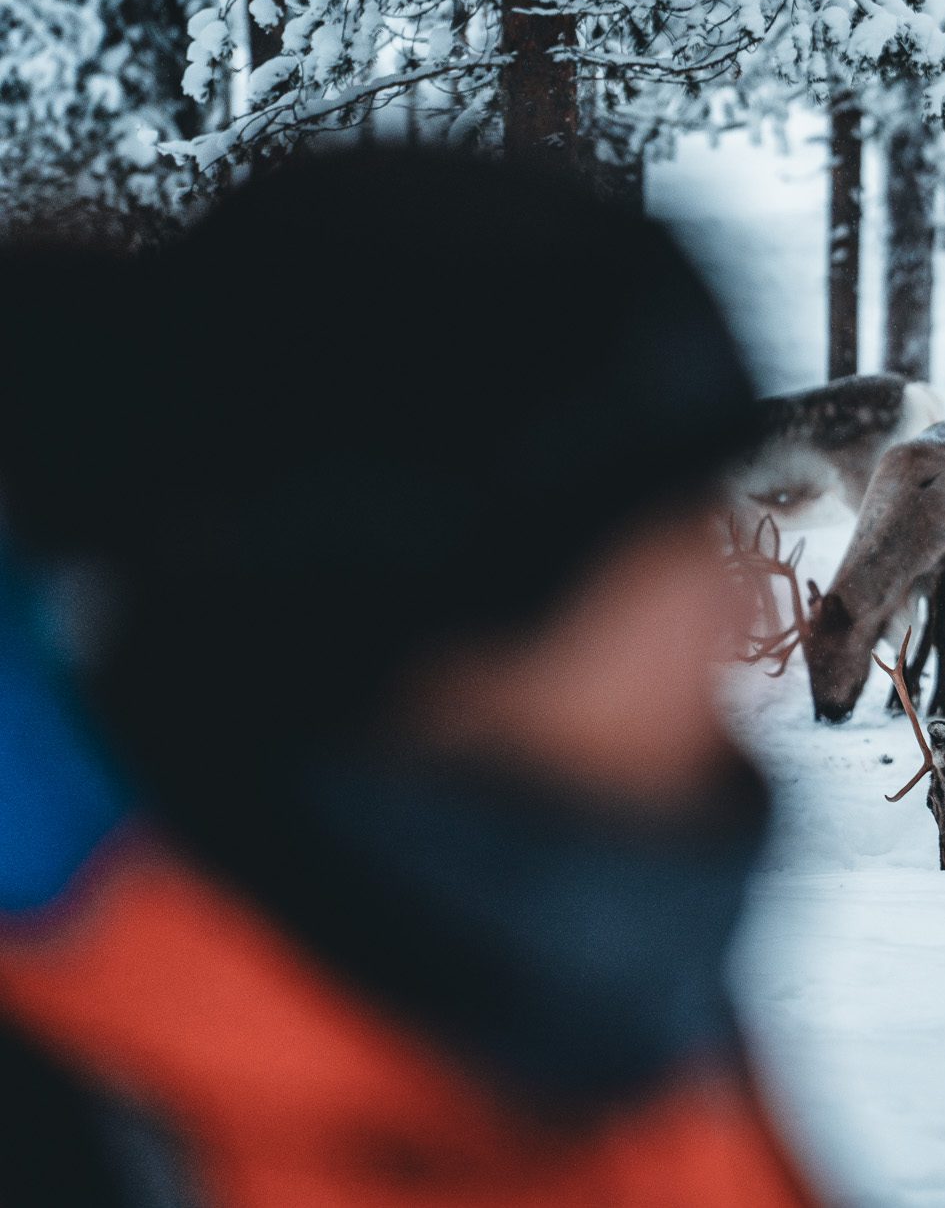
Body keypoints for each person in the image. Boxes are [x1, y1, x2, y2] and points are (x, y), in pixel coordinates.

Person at [0, 151, 822, 1207]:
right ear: (446, 630)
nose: (749, 620)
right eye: (677, 553)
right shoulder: (84, 1133)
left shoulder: (607, 984)